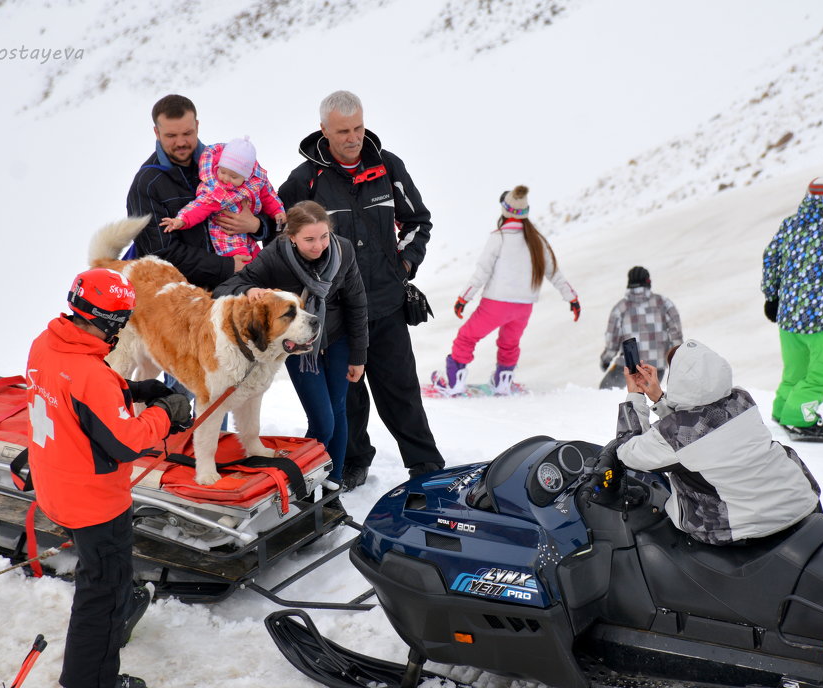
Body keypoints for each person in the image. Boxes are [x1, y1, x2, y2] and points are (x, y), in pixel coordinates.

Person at [26, 269, 193, 688]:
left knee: (107, 574)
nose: (121, 331)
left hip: (57, 483)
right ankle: (90, 684)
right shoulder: (90, 374)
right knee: (100, 587)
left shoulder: (47, 344)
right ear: (107, 321)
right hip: (94, 501)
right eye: (119, 322)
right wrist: (165, 412)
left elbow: (78, 397)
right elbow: (125, 441)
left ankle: (121, 608)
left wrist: (133, 390)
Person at [277, 90, 443, 489]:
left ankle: (425, 465)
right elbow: (283, 237)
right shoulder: (305, 180)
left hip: (385, 305)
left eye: (358, 128)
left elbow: (419, 221)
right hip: (335, 314)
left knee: (400, 389)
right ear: (324, 131)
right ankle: (354, 462)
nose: (352, 138)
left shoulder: (387, 167)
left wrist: (402, 265)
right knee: (347, 397)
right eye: (343, 131)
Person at [213, 201, 367, 502]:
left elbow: (357, 303)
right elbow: (226, 287)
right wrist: (249, 291)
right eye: (309, 239)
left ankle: (331, 484)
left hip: (336, 337)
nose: (319, 245)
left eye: (323, 236)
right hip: (298, 348)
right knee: (322, 419)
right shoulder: (275, 255)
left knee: (338, 411)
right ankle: (304, 482)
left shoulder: (343, 250)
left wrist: (358, 355)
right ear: (291, 236)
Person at [612, 340, 821, 545]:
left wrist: (635, 396)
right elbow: (703, 425)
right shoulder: (741, 401)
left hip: (744, 530)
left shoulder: (675, 435)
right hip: (801, 503)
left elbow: (628, 451)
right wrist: (659, 399)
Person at [431, 185, 579, 397]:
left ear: (505, 210)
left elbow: (482, 272)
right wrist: (572, 298)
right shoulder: (537, 241)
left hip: (496, 304)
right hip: (524, 307)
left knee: (466, 338)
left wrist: (464, 298)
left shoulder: (499, 237)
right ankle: (503, 382)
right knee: (509, 344)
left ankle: (455, 383)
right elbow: (554, 273)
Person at [127, 94, 275, 291]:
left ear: (197, 126)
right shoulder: (147, 184)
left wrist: (257, 225)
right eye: (171, 136)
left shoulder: (227, 162)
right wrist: (226, 266)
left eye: (187, 133)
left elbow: (273, 208)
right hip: (180, 296)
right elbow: (160, 251)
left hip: (241, 279)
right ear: (156, 132)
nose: (181, 142)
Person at [761, 178, 823, 440]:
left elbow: (771, 257)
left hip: (787, 315)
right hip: (817, 318)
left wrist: (772, 296)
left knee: (796, 368)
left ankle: (783, 410)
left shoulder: (790, 225)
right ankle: (800, 417)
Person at [160, 135, 286, 264]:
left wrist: (278, 212)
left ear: (246, 177)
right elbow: (199, 206)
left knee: (260, 263)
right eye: (223, 171)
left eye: (233, 176)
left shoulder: (256, 183)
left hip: (248, 237)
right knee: (244, 265)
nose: (226, 178)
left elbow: (269, 196)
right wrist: (182, 220)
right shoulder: (217, 190)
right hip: (227, 237)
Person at [598, 266, 682, 390]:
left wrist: (606, 360)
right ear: (648, 282)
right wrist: (679, 361)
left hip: (628, 368)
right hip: (655, 369)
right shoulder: (664, 304)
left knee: (605, 391)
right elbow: (676, 336)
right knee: (648, 396)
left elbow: (612, 341)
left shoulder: (621, 308)